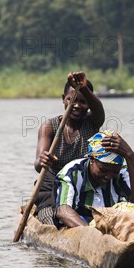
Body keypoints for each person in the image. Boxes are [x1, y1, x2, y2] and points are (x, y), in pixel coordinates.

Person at [33, 71, 105, 225]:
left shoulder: (91, 123)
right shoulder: (49, 127)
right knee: (50, 218)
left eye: (83, 101)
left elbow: (99, 110)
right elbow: (38, 165)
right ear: (63, 99)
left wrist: (83, 88)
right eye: (71, 99)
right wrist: (44, 160)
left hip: (82, 186)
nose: (77, 105)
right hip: (52, 186)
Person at [52, 131, 134, 228]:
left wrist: (130, 156)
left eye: (114, 172)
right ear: (92, 160)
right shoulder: (72, 173)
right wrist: (91, 233)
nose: (108, 176)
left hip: (111, 219)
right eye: (103, 170)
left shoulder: (122, 171)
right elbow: (63, 211)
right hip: (81, 222)